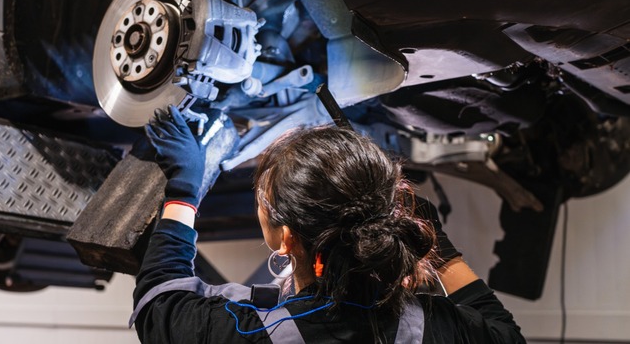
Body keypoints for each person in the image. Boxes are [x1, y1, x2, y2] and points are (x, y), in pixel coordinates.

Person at [132, 105, 525, 343]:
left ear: (285, 238)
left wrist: (184, 188)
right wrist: (443, 251)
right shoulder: (436, 326)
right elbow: (504, 335)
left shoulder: (248, 334)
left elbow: (159, 300)